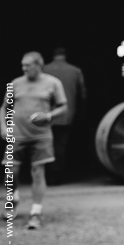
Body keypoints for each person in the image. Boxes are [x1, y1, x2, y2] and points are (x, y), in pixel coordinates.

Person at [10, 51, 67, 229]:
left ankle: (36, 211)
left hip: (40, 135)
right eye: (22, 65)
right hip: (17, 134)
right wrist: (4, 128)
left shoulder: (53, 83)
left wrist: (48, 115)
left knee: (37, 170)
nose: (24, 68)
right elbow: (4, 107)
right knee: (11, 170)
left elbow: (63, 106)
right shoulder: (15, 83)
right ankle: (13, 196)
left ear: (38, 65)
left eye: (28, 65)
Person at [41, 47, 87, 184]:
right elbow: (83, 94)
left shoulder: (44, 70)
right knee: (61, 145)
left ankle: (48, 175)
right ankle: (57, 176)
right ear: (65, 55)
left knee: (45, 144)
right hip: (66, 114)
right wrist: (82, 111)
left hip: (44, 114)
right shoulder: (75, 70)